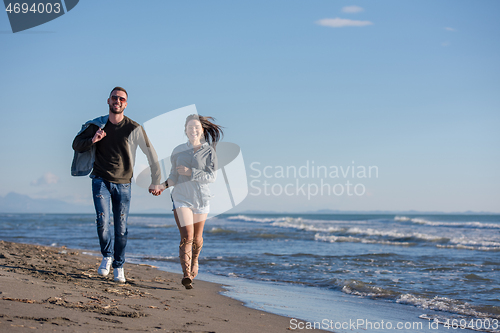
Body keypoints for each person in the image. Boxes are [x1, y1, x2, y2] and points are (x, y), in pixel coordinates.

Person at [72, 87, 163, 283]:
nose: (118, 101)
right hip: (100, 179)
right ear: (108, 101)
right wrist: (92, 139)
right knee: (102, 221)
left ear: (126, 104)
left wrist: (156, 180)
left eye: (122, 99)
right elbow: (76, 144)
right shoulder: (98, 125)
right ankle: (107, 256)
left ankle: (119, 266)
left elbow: (151, 154)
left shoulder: (134, 129)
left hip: (123, 184)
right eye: (114, 98)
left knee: (121, 228)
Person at [159, 114, 222, 289]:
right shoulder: (177, 150)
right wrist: (162, 186)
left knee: (197, 238)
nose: (193, 130)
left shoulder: (209, 151)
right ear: (185, 131)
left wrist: (191, 172)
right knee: (187, 236)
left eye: (196, 127)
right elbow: (173, 176)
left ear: (202, 130)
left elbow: (212, 177)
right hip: (181, 198)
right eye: (190, 127)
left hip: (201, 199)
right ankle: (186, 274)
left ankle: (195, 260)